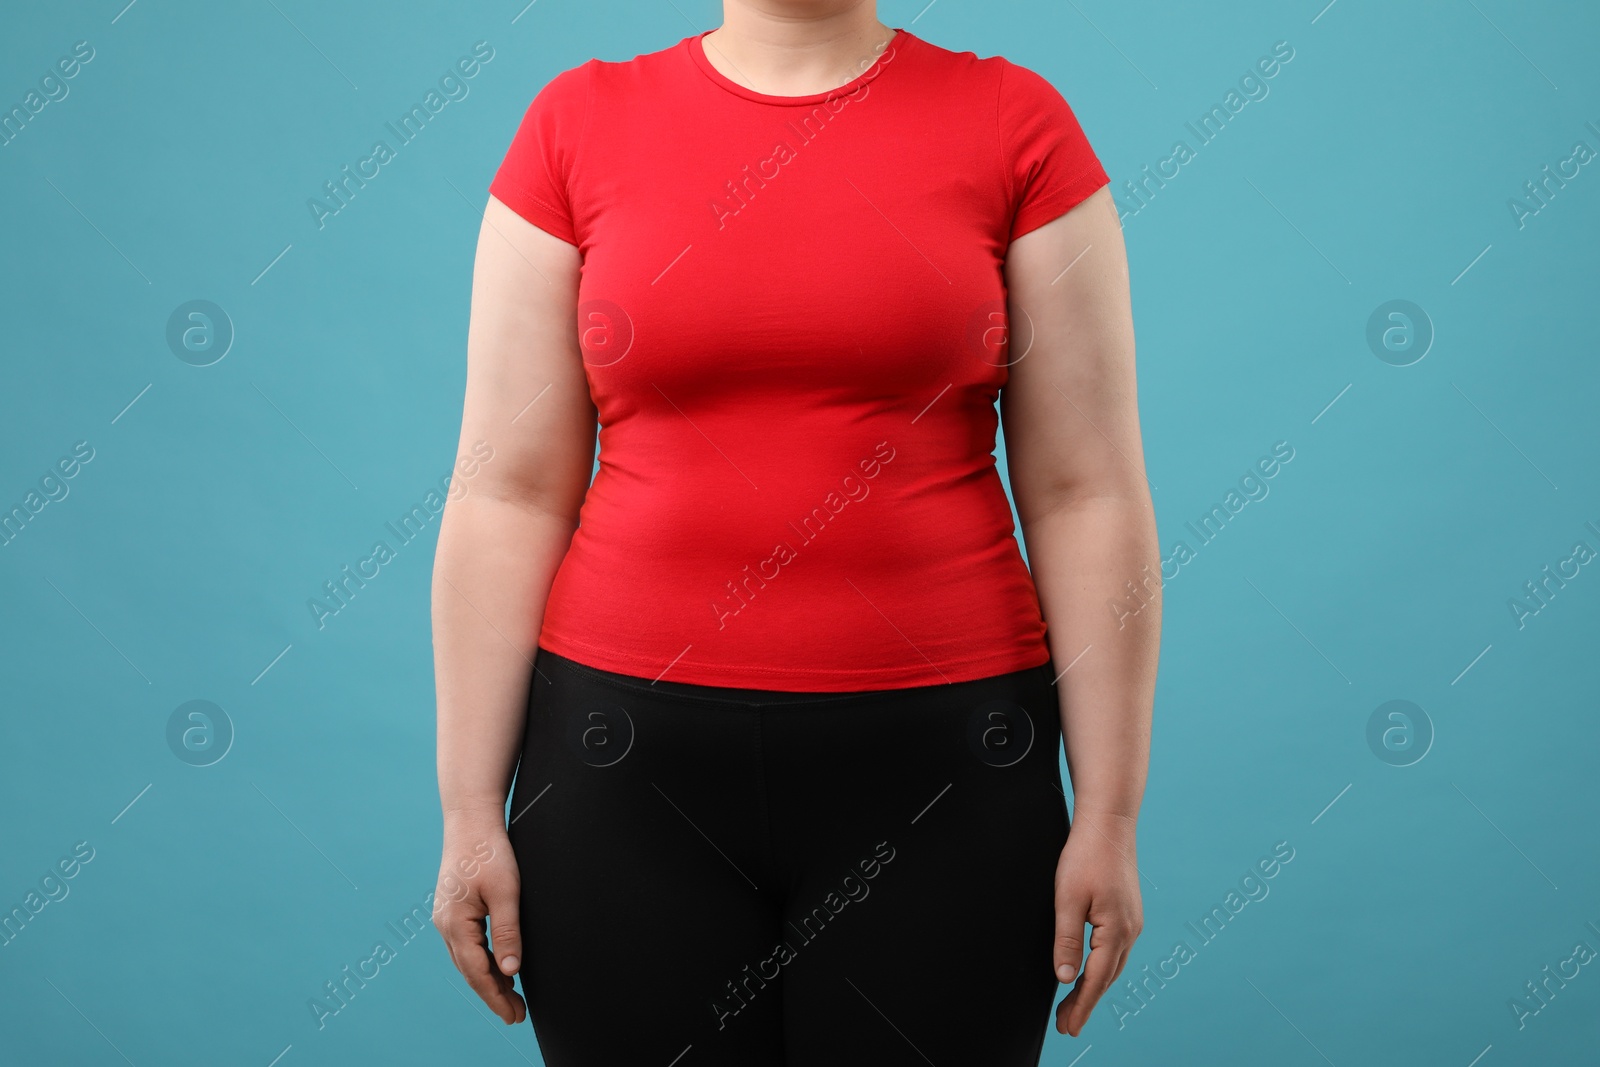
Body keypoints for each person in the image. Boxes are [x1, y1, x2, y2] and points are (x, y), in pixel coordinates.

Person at [431, 2, 1158, 1063]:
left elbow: (1084, 488)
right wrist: (466, 810)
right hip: (621, 778)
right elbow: (509, 493)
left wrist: (1111, 810)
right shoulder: (574, 124)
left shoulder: (1016, 123)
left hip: (946, 778)